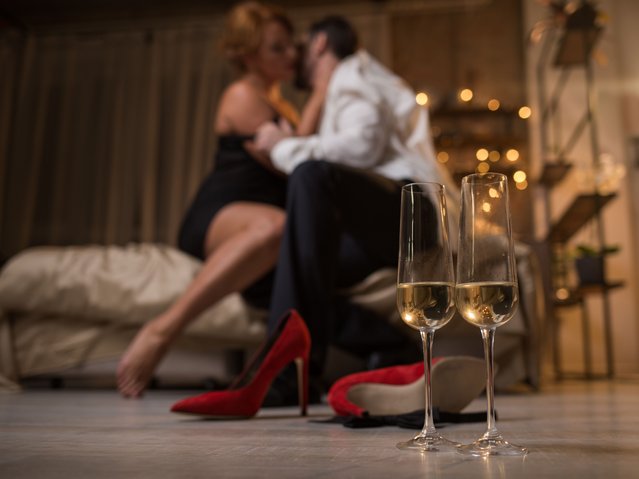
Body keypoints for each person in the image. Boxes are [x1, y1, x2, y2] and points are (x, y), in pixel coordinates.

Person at [117, 2, 317, 398]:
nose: (292, 55)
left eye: (290, 46)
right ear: (248, 55)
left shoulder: (285, 106)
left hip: (256, 214)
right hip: (220, 215)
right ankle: (162, 330)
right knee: (276, 227)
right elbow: (293, 159)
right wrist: (324, 91)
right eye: (277, 48)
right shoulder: (242, 95)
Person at [254, 15, 460, 395]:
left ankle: (286, 376)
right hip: (384, 228)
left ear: (319, 44)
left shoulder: (353, 73)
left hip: (413, 211)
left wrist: (281, 147)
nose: (294, 57)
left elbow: (360, 146)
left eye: (300, 46)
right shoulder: (348, 84)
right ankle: (391, 347)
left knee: (313, 175)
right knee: (268, 276)